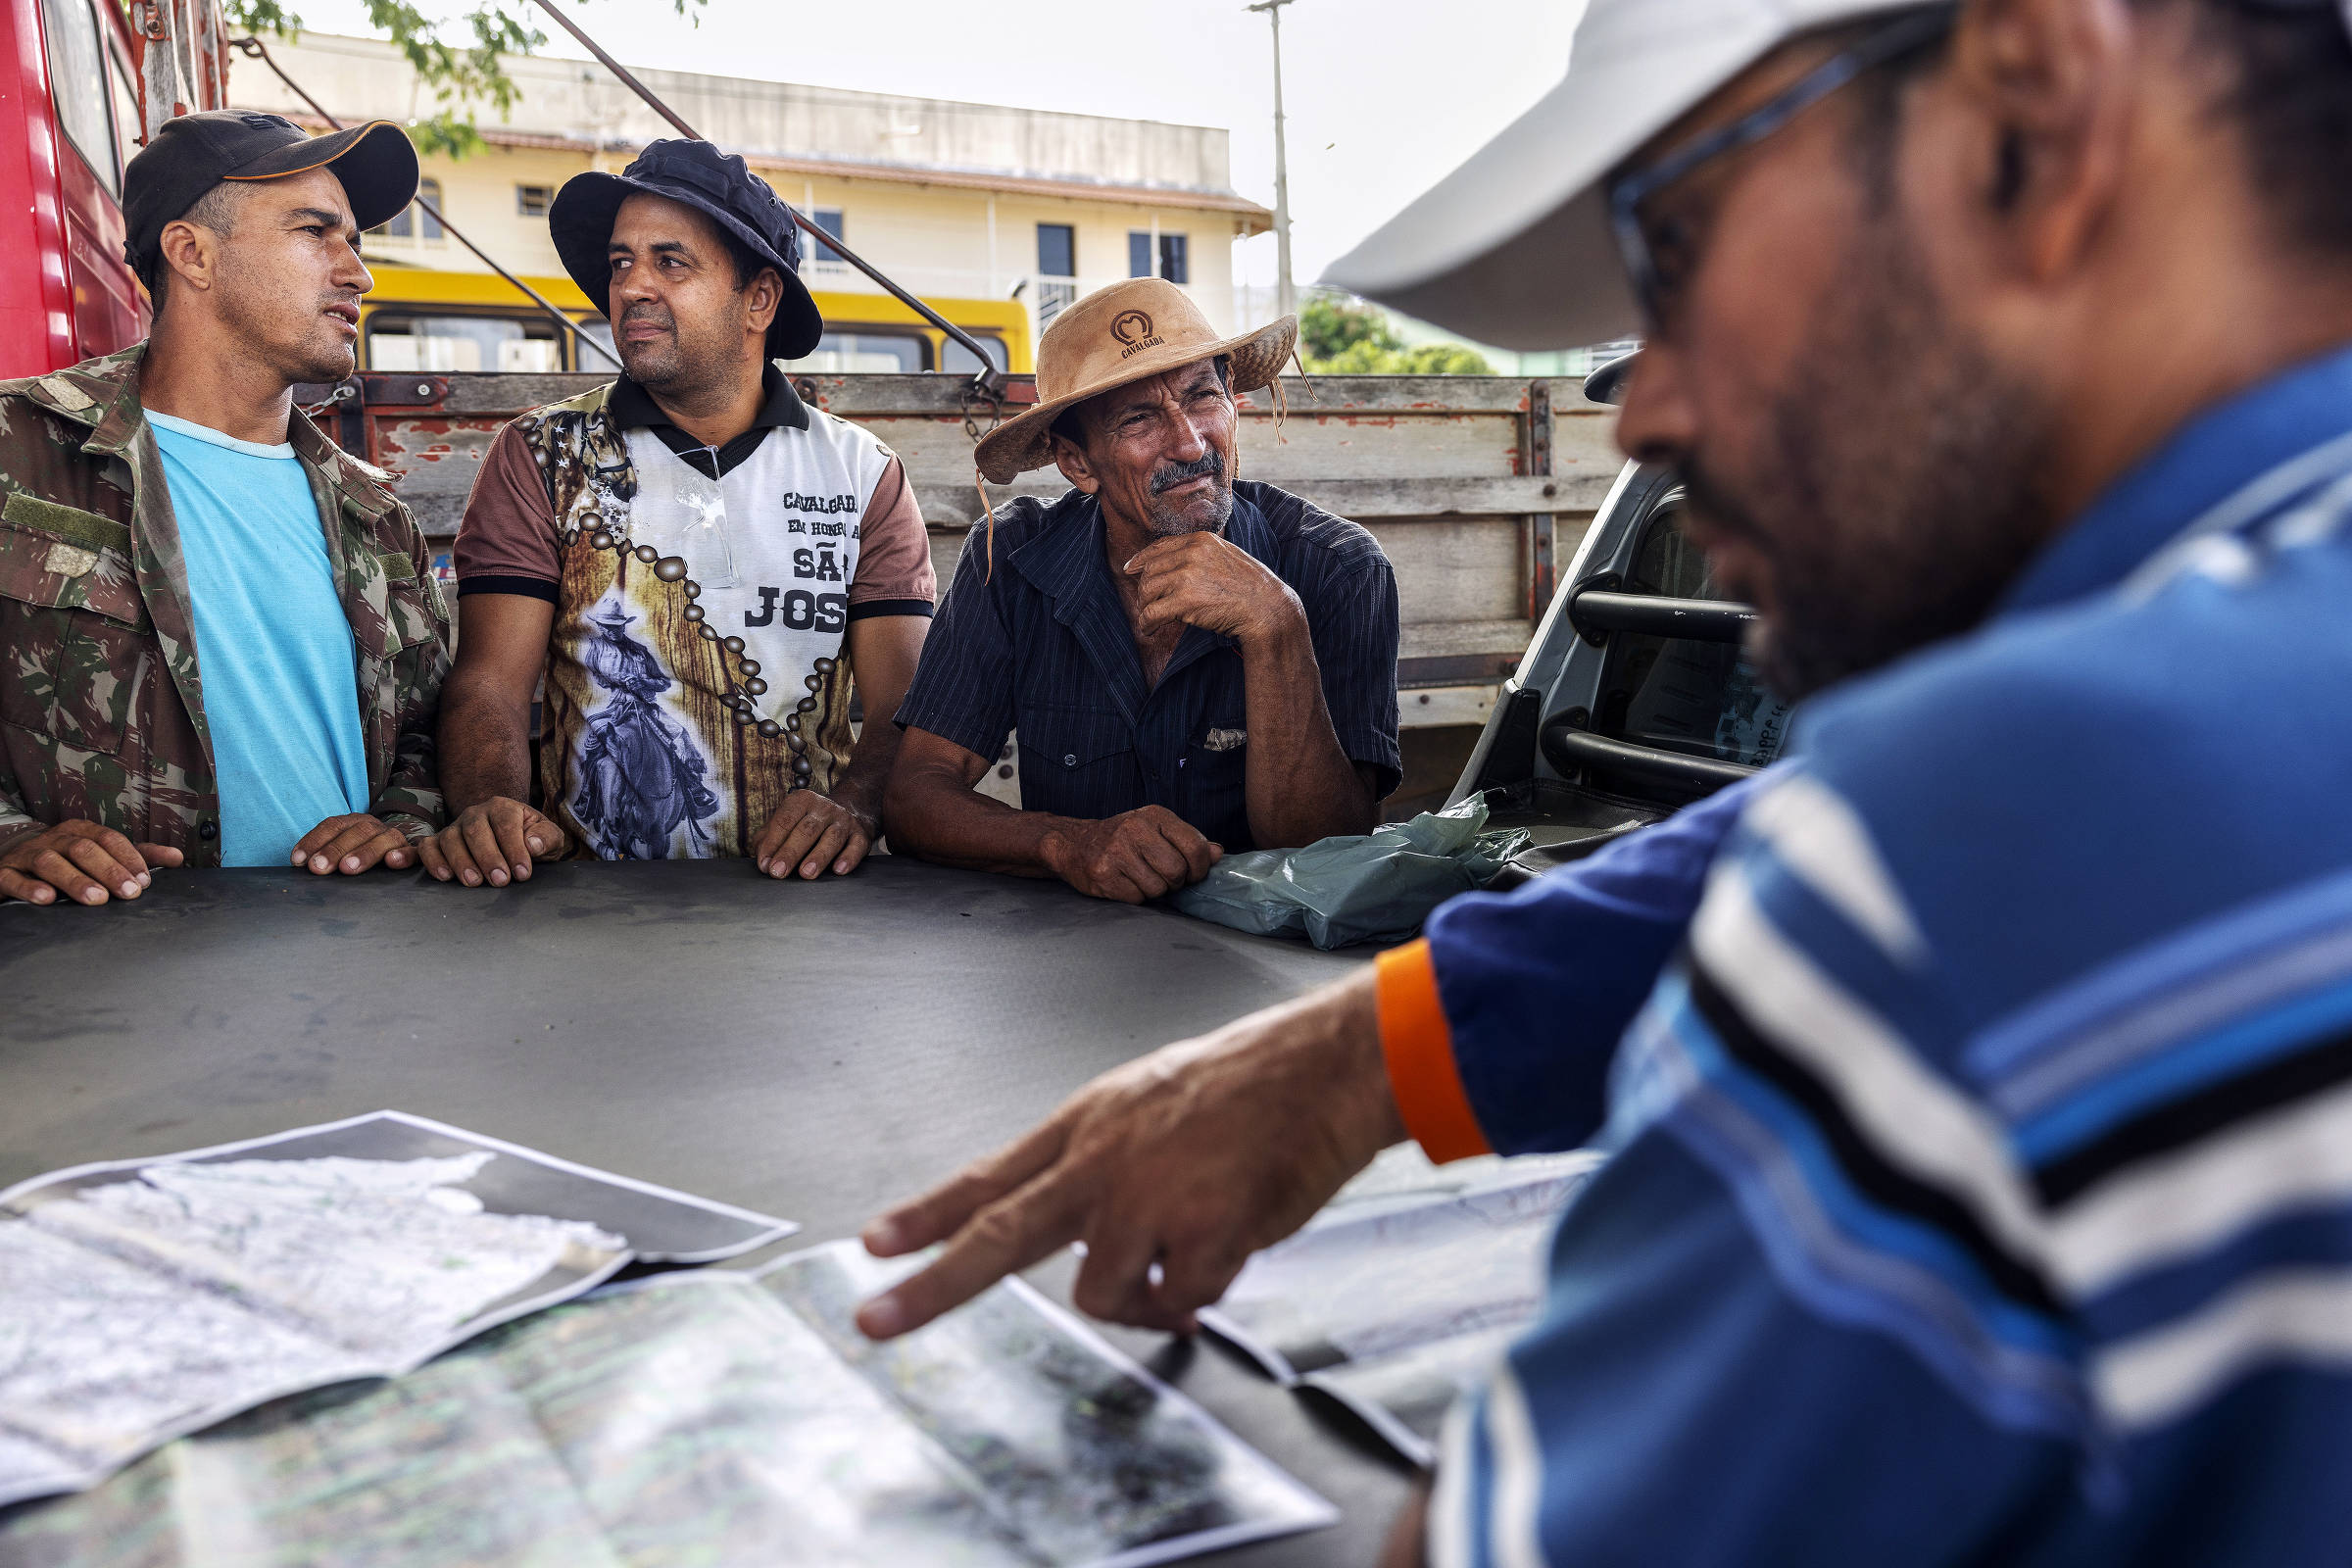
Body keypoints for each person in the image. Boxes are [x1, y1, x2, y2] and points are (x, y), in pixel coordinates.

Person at [856, 0, 2352, 1562]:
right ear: (1076, 458)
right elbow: (1807, 841)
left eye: (1685, 253)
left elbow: (1513, 1536)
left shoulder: (1976, 836)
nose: (1642, 411)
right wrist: (1375, 1049)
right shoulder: (2209, 695)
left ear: (2033, 106)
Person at [432, 140, 932, 886]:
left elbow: (905, 702)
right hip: (587, 900)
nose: (632, 287)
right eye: (620, 263)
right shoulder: (541, 454)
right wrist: (492, 810)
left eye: (671, 262)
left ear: (759, 299)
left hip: (810, 900)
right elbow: (490, 687)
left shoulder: (863, 474)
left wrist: (857, 807)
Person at [0, 111, 448, 907]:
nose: (358, 274)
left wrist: (404, 826)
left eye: (356, 241)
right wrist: (12, 839)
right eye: (316, 232)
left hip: (360, 976)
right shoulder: (18, 448)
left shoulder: (376, 514)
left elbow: (425, 737)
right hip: (96, 982)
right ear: (192, 254)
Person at [884, 278, 1401, 905]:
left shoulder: (1337, 567)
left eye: (1203, 397)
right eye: (1139, 418)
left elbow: (1328, 853)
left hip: (1273, 975)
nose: (1189, 443)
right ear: (1077, 464)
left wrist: (1277, 627)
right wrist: (1067, 843)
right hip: (1078, 961)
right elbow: (915, 797)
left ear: (1233, 405)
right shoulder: (1013, 563)